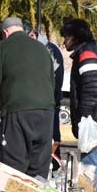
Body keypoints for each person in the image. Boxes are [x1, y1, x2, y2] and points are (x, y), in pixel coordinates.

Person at [0, 17, 56, 178]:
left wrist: (3, 95)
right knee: (39, 164)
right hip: (46, 112)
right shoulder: (41, 48)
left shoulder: (3, 47)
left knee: (15, 164)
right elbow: (52, 82)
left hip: (16, 111)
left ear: (5, 32)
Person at [60, 18, 97, 187]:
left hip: (95, 120)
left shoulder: (86, 53)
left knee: (92, 166)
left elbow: (92, 85)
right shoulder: (88, 51)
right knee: (94, 163)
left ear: (75, 36)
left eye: (65, 36)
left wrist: (85, 116)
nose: (64, 41)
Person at [28, 27, 65, 163]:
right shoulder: (34, 49)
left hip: (49, 103)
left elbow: (54, 79)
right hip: (40, 103)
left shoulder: (50, 50)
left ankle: (54, 167)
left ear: (33, 35)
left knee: (51, 138)